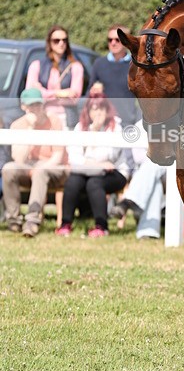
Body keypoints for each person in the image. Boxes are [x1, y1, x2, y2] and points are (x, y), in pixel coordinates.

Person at [56, 94, 130, 238]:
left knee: (94, 183)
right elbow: (74, 158)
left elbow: (110, 156)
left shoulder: (115, 127)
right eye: (94, 109)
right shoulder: (80, 127)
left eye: (101, 109)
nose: (98, 113)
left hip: (115, 173)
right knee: (72, 182)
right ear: (88, 111)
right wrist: (97, 164)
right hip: (88, 171)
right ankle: (65, 225)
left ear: (107, 110)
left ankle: (101, 226)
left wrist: (89, 160)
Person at [2, 88, 68, 237]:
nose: (36, 109)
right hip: (28, 166)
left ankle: (32, 221)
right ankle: (14, 221)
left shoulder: (54, 121)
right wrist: (30, 128)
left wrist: (39, 168)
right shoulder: (17, 125)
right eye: (31, 106)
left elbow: (58, 156)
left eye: (38, 105)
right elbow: (19, 159)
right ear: (23, 107)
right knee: (8, 169)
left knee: (40, 172)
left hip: (53, 168)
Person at [109, 121, 166, 239]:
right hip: (148, 175)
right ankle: (148, 232)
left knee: (155, 163)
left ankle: (128, 201)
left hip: (174, 174)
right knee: (155, 183)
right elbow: (138, 158)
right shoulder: (140, 126)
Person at [25, 25, 84, 129]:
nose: (61, 43)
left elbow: (74, 97)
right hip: (42, 116)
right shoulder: (36, 65)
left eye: (64, 40)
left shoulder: (76, 67)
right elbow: (30, 95)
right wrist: (60, 93)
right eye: (56, 40)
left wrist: (42, 92)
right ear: (49, 42)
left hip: (66, 119)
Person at [88, 24, 137, 126]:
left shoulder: (135, 65)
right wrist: (94, 92)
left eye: (117, 40)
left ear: (126, 41)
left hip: (128, 122)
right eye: (110, 40)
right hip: (105, 122)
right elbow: (89, 93)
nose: (113, 43)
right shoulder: (99, 63)